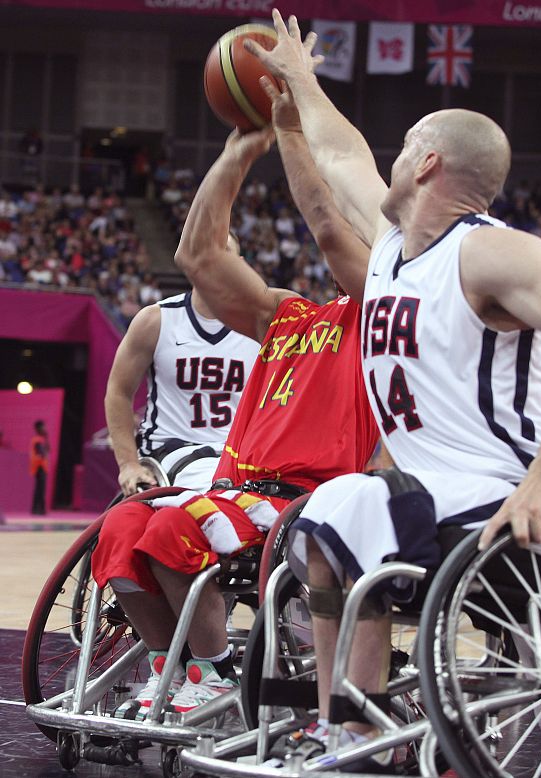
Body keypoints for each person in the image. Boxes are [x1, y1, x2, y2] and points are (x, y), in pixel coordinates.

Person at [245, 12, 541, 765]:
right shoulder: (395, 247)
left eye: (403, 150)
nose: (389, 161)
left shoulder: (490, 253)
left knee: (352, 502)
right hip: (431, 491)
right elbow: (339, 153)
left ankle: (354, 732)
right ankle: (348, 722)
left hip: (505, 493)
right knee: (326, 512)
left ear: (425, 164)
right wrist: (295, 98)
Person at [91, 98, 378, 719]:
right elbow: (196, 257)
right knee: (117, 535)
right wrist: (234, 157)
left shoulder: (382, 321)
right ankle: (180, 665)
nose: (344, 250)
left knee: (173, 531)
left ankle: (217, 671)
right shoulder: (288, 314)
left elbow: (329, 227)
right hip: (236, 486)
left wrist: (291, 133)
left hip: (307, 495)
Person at [105, 266, 260, 497]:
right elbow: (118, 391)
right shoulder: (156, 320)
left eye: (222, 249)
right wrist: (128, 465)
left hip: (236, 453)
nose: (212, 255)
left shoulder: (260, 324)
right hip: (167, 451)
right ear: (190, 255)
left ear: (235, 261)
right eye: (204, 245)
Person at [29, 420, 49, 515]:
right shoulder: (37, 440)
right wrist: (43, 453)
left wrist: (47, 437)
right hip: (39, 467)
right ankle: (39, 510)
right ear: (38, 428)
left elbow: (48, 449)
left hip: (42, 467)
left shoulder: (42, 439)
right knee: (40, 489)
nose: (44, 428)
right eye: (43, 427)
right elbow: (42, 452)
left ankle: (36, 509)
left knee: (39, 489)